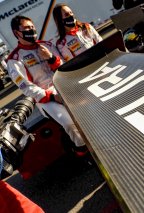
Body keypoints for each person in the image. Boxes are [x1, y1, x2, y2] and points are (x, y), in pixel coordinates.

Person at [6, 15, 87, 156]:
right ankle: (83, 151)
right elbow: (26, 87)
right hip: (46, 98)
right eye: (26, 28)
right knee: (69, 124)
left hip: (63, 84)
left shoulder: (47, 46)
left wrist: (51, 58)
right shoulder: (14, 59)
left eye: (32, 27)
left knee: (89, 109)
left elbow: (65, 65)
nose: (31, 30)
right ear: (17, 33)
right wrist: (52, 97)